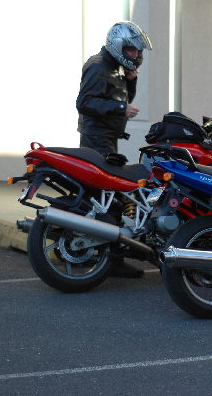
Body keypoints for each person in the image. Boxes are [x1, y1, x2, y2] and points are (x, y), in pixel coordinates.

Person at [76, 21, 152, 278]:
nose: (136, 55)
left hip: (107, 138)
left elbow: (121, 97)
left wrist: (131, 81)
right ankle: (111, 261)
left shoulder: (116, 67)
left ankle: (104, 255)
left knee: (107, 197)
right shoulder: (98, 66)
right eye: (132, 50)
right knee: (109, 198)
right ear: (118, 46)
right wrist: (121, 109)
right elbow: (84, 102)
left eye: (138, 51)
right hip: (97, 140)